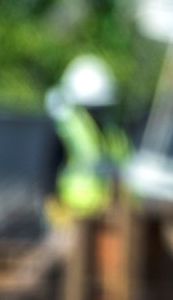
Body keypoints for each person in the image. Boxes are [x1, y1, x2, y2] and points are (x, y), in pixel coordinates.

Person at [45, 54, 130, 218]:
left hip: (108, 214)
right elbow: (51, 166)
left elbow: (125, 169)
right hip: (73, 213)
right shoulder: (68, 129)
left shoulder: (113, 132)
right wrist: (53, 202)